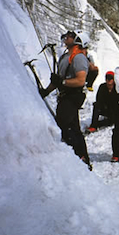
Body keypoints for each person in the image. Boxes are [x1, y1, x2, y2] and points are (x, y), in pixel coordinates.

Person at [40, 30, 92, 170]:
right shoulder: (66, 57)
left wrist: (62, 82)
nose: (66, 37)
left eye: (70, 35)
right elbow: (59, 80)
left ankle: (75, 159)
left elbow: (80, 80)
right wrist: (46, 91)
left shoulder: (79, 58)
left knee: (63, 126)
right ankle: (83, 160)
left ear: (77, 40)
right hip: (66, 96)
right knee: (74, 129)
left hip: (72, 96)